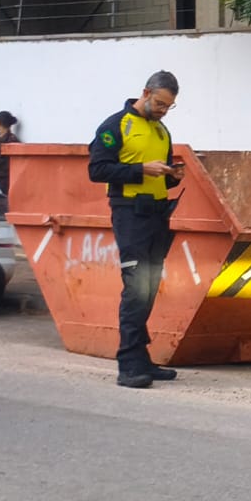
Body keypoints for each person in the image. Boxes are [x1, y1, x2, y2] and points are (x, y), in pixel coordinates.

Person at [88, 71, 184, 389]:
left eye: (169, 106)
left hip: (158, 213)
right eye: (159, 103)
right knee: (135, 288)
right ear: (145, 92)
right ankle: (128, 364)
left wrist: (173, 176)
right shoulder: (116, 125)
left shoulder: (161, 131)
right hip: (130, 214)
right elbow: (97, 169)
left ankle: (141, 358)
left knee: (150, 286)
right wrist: (140, 169)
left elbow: (163, 173)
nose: (163, 110)